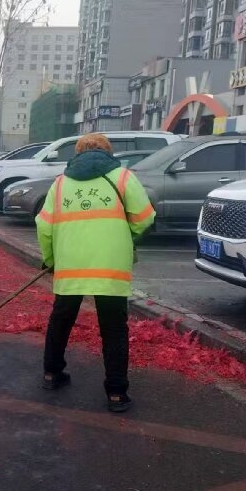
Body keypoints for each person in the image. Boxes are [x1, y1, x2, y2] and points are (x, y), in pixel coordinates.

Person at [35, 134, 155, 413]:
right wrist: (128, 237)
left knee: (61, 319)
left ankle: (52, 373)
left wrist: (50, 259)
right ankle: (116, 393)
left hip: (70, 266)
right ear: (108, 153)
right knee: (114, 329)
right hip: (110, 267)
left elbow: (44, 226)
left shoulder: (60, 184)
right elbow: (145, 218)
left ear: (77, 154)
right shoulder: (123, 178)